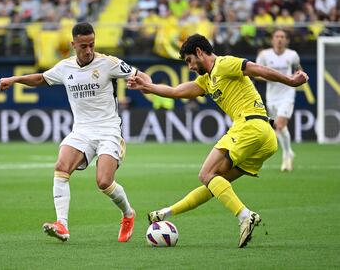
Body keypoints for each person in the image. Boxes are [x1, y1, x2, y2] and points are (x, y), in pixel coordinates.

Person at [127, 33, 308, 248]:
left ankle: (244, 216)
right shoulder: (207, 79)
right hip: (265, 137)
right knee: (216, 181)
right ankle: (168, 211)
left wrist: (289, 80)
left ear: (199, 52)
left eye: (189, 61)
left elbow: (257, 69)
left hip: (249, 125)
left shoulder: (224, 63)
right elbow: (177, 92)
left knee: (205, 174)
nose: (190, 67)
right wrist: (148, 87)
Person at [0, 22, 151, 243]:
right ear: (73, 45)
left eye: (91, 45)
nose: (88, 50)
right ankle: (62, 225)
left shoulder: (108, 63)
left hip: (109, 131)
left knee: (104, 182)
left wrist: (147, 85)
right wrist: (14, 79)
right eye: (83, 46)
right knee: (61, 167)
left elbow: (142, 75)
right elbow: (41, 78)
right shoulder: (65, 68)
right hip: (82, 131)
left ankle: (128, 213)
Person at [256, 29, 302, 172]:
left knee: (280, 125)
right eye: (277, 36)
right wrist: (271, 77)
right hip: (272, 97)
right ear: (273, 40)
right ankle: (288, 152)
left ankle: (283, 155)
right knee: (281, 128)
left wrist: (298, 76)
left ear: (287, 40)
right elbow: (256, 73)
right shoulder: (264, 55)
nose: (280, 39)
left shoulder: (292, 55)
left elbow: (298, 70)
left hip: (287, 95)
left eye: (282, 37)